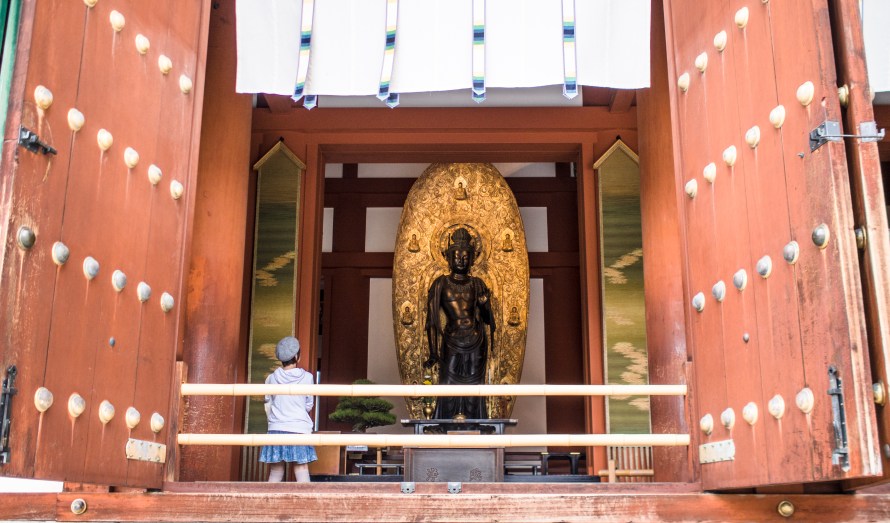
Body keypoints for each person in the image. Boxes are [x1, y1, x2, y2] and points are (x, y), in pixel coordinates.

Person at [424, 228, 495, 419]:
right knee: (447, 383)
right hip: (451, 339)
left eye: (465, 257)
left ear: (472, 259)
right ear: (448, 258)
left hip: (476, 339)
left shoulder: (478, 284)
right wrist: (432, 352)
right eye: (457, 257)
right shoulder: (441, 284)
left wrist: (485, 305)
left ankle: (475, 424)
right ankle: (445, 423)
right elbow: (431, 321)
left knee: (475, 385)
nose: (461, 261)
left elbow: (488, 320)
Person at [259, 336, 317, 482]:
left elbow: (268, 402)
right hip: (299, 428)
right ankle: (305, 503)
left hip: (276, 427)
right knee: (301, 468)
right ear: (297, 356)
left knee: (276, 471)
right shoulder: (307, 378)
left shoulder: (271, 378)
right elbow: (309, 404)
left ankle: (269, 503)